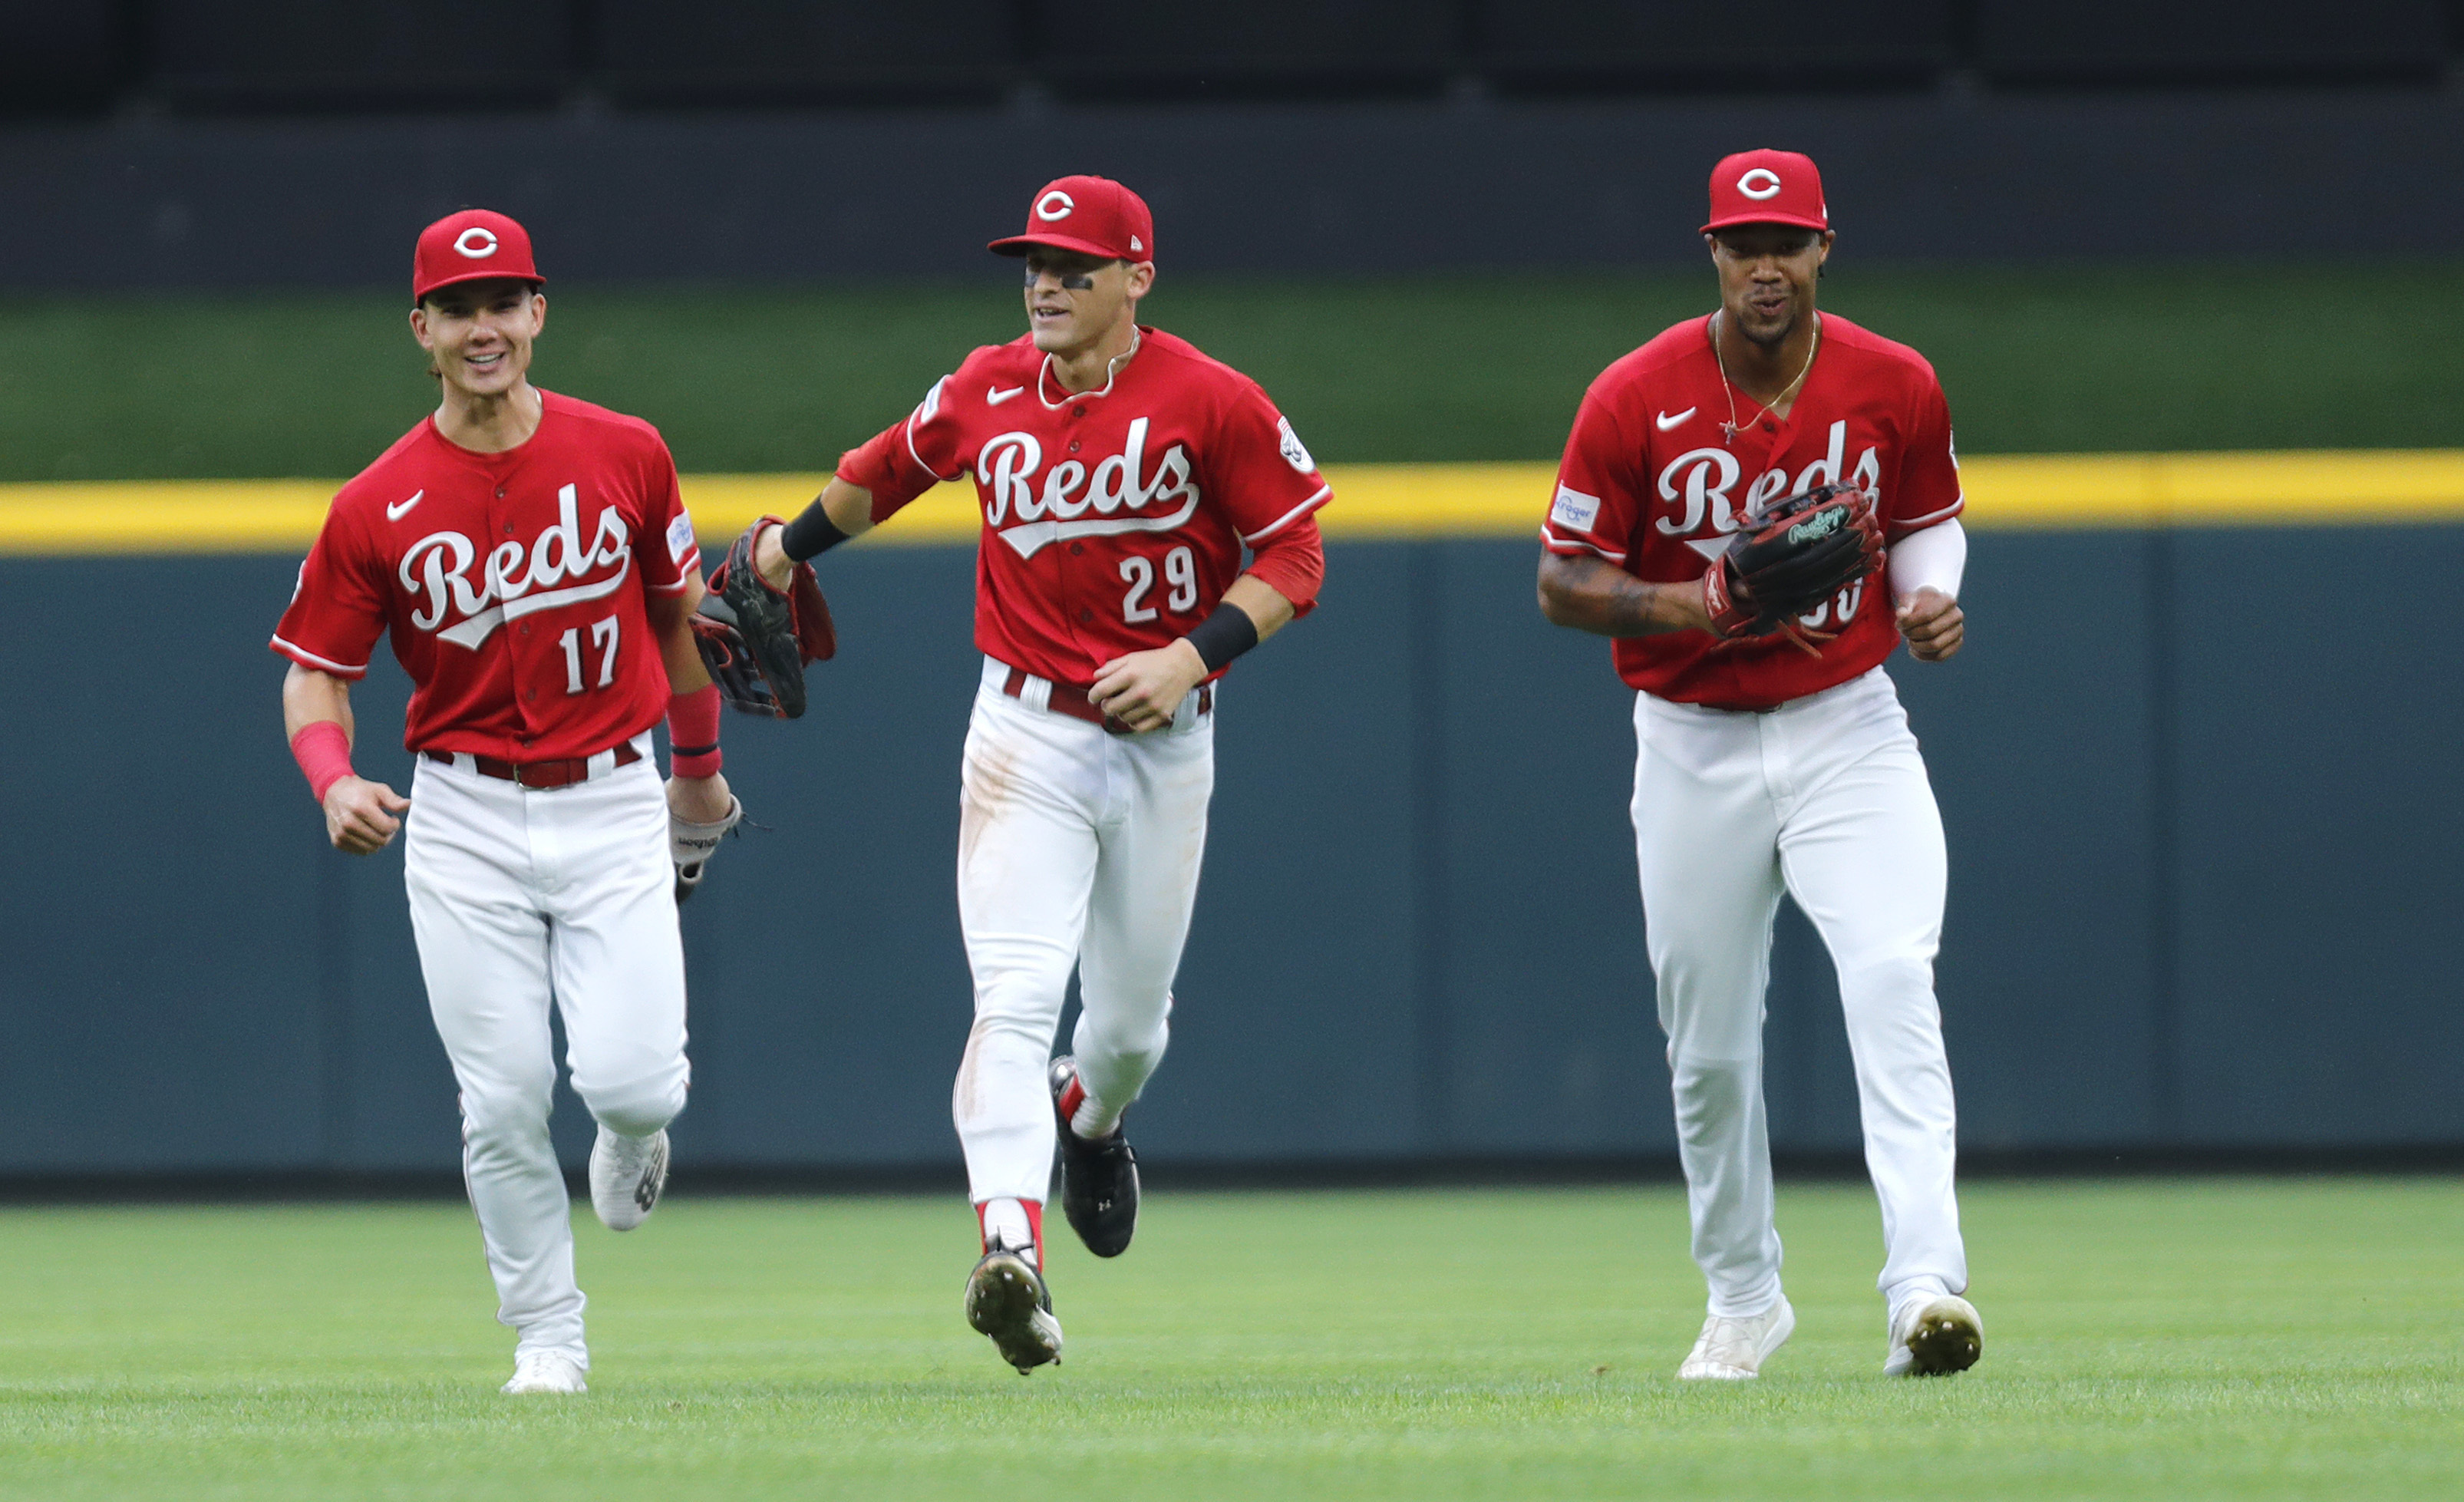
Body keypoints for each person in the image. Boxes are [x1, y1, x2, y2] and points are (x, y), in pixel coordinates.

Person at [746, 175, 1330, 1372]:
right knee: (1012, 1000)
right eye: (1035, 264)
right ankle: (1009, 1252)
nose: (1047, 284)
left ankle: (1092, 1117)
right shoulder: (985, 385)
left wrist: (1189, 653)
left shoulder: (1211, 400)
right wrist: (784, 543)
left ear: (1136, 279)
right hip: (1023, 734)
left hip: (1167, 734)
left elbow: (1298, 553)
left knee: (1126, 1032)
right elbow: (888, 469)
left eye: (1074, 266)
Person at [270, 210, 744, 1395]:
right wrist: (332, 780)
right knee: (502, 1100)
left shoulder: (627, 450)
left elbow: (679, 627)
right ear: (421, 329)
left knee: (635, 1079)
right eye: (460, 307)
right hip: (466, 815)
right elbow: (317, 675)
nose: (485, 326)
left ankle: (635, 1133)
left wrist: (697, 772)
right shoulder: (375, 500)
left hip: (611, 795)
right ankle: (549, 1334)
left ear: (538, 314)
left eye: (505, 302)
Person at [1535, 150, 1982, 1379]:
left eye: (1788, 241)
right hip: (1691, 740)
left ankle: (1925, 1285)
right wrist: (1703, 599)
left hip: (1849, 721)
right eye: (1745, 243)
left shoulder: (1896, 382)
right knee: (1712, 1044)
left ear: (1824, 246)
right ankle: (1744, 1294)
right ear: (1713, 252)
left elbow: (1927, 514)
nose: (1767, 264)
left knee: (1893, 974)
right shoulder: (1635, 394)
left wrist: (1931, 593)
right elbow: (1561, 582)